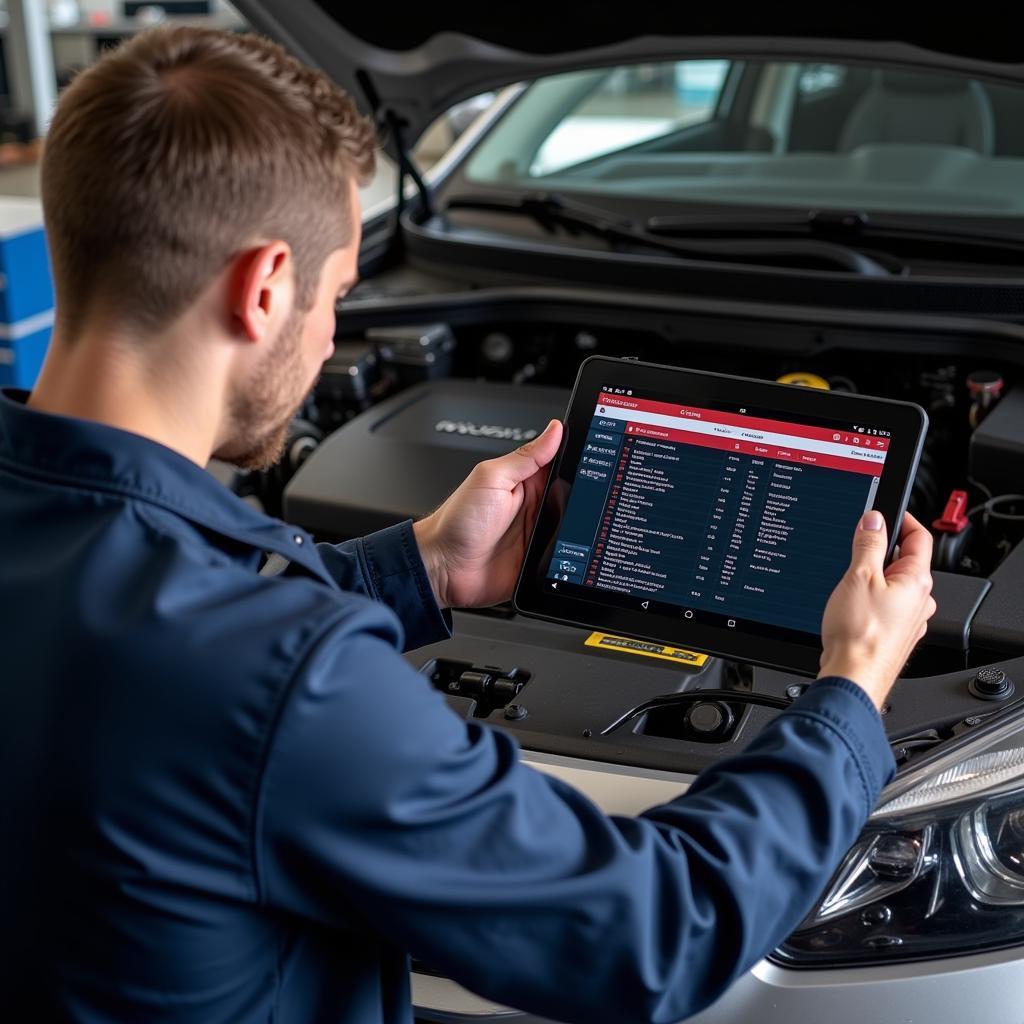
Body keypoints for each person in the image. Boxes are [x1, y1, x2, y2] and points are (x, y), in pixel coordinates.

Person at [0, 26, 935, 1024]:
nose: (328, 336)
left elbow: (157, 630)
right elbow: (656, 928)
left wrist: (413, 569)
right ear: (265, 286)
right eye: (338, 296)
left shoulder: (207, 635)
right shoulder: (287, 679)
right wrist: (850, 691)